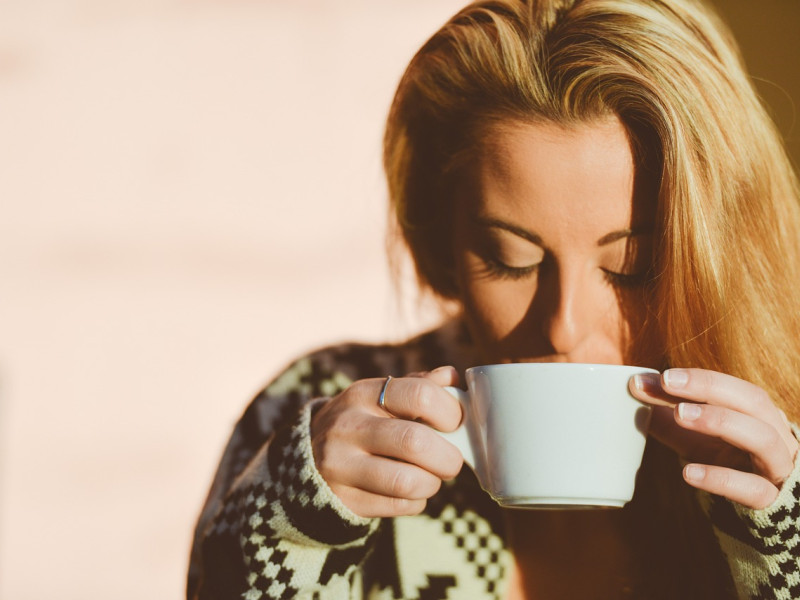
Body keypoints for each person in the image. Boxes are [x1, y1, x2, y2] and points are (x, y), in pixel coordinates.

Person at [187, 0, 800, 598]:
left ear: (721, 254)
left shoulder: (780, 456)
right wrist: (296, 528)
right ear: (443, 239)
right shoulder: (317, 407)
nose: (562, 326)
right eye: (513, 261)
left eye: (630, 267)